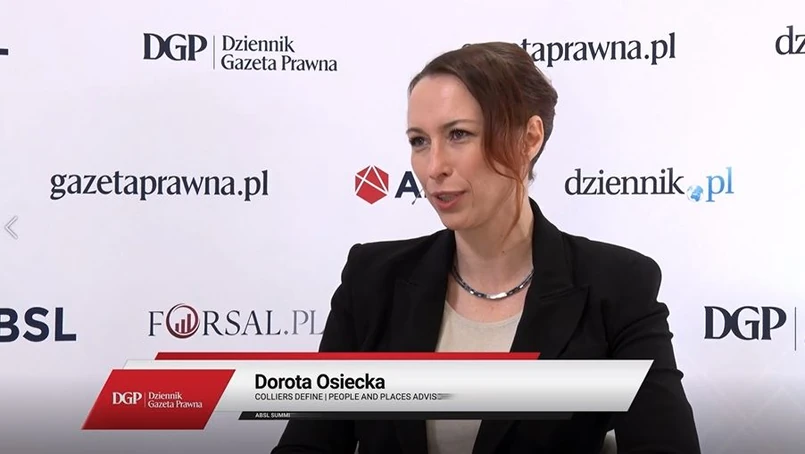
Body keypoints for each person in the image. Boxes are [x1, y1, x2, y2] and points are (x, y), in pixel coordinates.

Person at [272, 42, 700, 454]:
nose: (434, 167)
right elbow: (309, 442)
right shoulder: (371, 278)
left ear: (529, 138)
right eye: (419, 141)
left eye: (459, 134)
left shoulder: (617, 287)